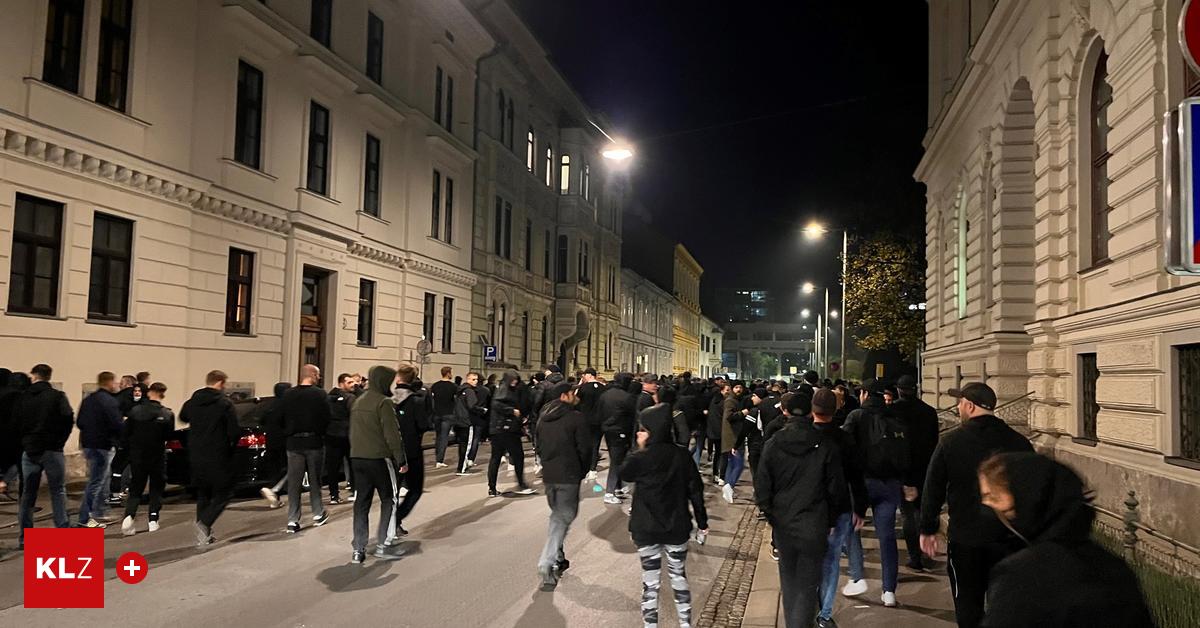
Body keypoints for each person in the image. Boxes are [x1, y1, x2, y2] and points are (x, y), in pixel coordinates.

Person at [977, 453, 1154, 627]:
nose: (987, 506)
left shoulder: (1022, 577)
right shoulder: (1114, 568)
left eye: (993, 498)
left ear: (1027, 500)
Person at [919, 382, 1033, 628]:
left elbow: (933, 487)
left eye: (959, 403)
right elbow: (1033, 491)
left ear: (969, 406)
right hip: (1009, 540)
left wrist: (928, 528)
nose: (958, 407)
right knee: (1003, 606)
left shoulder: (951, 442)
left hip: (966, 540)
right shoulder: (1020, 443)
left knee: (968, 606)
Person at [754, 391, 846, 628]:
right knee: (807, 584)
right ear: (809, 412)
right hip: (814, 523)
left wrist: (772, 515)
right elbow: (836, 488)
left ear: (785, 412)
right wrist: (831, 520)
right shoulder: (825, 445)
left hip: (784, 523)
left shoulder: (774, 443)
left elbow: (762, 485)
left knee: (789, 581)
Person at [620, 391, 709, 628]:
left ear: (650, 430)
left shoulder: (642, 457)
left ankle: (651, 626)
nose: (639, 433)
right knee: (678, 576)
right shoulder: (681, 456)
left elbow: (624, 474)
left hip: (645, 528)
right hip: (676, 526)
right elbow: (696, 491)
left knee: (650, 582)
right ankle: (685, 624)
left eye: (643, 429)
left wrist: (638, 449)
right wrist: (702, 523)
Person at [840, 378, 909, 606]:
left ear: (865, 395)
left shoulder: (856, 416)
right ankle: (889, 590)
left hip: (861, 482)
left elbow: (845, 447)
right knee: (887, 536)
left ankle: (858, 576)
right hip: (889, 484)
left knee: (852, 528)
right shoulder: (895, 418)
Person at [811, 389, 867, 628]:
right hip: (841, 506)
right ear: (835, 411)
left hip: (810, 507)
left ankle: (807, 604)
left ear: (813, 409)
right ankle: (824, 614)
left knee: (809, 558)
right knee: (831, 561)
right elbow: (856, 476)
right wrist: (860, 508)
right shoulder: (844, 438)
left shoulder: (805, 437)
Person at [533, 382, 591, 590]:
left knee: (557, 516)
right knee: (562, 518)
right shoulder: (576, 418)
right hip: (569, 476)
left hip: (550, 476)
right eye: (573, 393)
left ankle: (558, 556)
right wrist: (581, 471)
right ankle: (546, 562)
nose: (576, 396)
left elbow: (538, 445)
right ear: (565, 396)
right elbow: (585, 448)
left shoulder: (543, 418)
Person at [349, 365, 407, 563]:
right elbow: (392, 435)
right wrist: (401, 459)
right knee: (389, 499)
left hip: (358, 459)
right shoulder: (384, 403)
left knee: (361, 503)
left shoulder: (358, 401)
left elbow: (353, 432)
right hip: (380, 459)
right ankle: (384, 543)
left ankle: (358, 547)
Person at [15, 364, 74, 549]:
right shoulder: (57, 396)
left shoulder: (23, 397)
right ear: (49, 376)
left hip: (30, 449)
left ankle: (25, 536)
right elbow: (67, 418)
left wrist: (25, 441)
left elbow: (16, 422)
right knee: (57, 491)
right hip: (52, 449)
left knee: (28, 494)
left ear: (34, 376)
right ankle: (62, 529)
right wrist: (59, 442)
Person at [179, 370, 240, 547]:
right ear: (220, 383)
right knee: (225, 492)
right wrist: (231, 446)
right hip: (218, 453)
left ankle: (204, 534)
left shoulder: (193, 401)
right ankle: (204, 523)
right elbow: (234, 431)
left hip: (196, 453)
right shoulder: (224, 403)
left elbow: (183, 417)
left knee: (203, 492)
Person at [890, 374, 940, 571]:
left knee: (909, 514)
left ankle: (915, 556)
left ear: (899, 390)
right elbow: (934, 440)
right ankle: (926, 552)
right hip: (925, 467)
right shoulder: (929, 412)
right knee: (924, 510)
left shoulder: (892, 411)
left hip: (903, 469)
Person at [280, 364, 331, 533]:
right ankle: (318, 513)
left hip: (293, 443)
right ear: (313, 375)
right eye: (318, 375)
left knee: (294, 483)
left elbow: (282, 417)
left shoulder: (288, 394)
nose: (319, 377)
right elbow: (326, 417)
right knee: (315, 480)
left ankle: (293, 520)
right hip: (314, 442)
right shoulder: (320, 394)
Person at [120, 382, 174, 535]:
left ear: (149, 393)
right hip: (157, 454)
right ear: (162, 394)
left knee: (136, 487)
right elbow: (169, 436)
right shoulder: (167, 414)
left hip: (138, 455)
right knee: (156, 488)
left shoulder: (135, 411)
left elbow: (125, 434)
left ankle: (129, 517)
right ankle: (153, 519)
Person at [76, 371, 123, 528]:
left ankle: (99, 512)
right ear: (108, 382)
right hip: (102, 445)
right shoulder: (109, 401)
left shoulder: (89, 399)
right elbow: (117, 424)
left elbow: (80, 421)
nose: (116, 385)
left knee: (101, 480)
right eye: (114, 382)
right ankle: (85, 518)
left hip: (88, 444)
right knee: (96, 482)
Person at [391, 365, 429, 538]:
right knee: (415, 489)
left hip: (391, 450)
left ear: (398, 379)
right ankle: (397, 519)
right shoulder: (417, 401)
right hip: (411, 450)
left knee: (393, 490)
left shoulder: (388, 400)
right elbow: (423, 424)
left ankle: (390, 521)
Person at [487, 370, 536, 497]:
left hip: (498, 430)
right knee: (517, 456)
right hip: (506, 430)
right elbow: (497, 404)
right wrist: (512, 411)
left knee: (496, 458)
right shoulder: (504, 389)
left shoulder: (503, 388)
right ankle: (521, 484)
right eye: (513, 379)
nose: (515, 382)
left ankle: (492, 488)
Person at [597, 373, 635, 503]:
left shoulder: (605, 394)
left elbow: (599, 411)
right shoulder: (626, 397)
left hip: (608, 431)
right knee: (617, 461)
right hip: (621, 431)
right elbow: (632, 416)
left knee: (616, 459)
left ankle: (618, 487)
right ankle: (610, 491)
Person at [259, 382, 292, 508]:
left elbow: (262, 420)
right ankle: (272, 488)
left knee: (274, 468)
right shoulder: (287, 406)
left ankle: (275, 499)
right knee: (287, 468)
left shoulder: (269, 405)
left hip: (270, 441)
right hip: (284, 441)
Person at [325, 374, 355, 504]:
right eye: (349, 382)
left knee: (333, 467)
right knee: (352, 464)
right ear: (341, 383)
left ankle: (334, 495)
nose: (353, 384)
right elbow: (354, 415)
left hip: (331, 435)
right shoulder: (350, 398)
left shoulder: (327, 397)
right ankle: (355, 490)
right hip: (347, 435)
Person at [451, 372, 484, 475]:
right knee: (466, 445)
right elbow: (472, 406)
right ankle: (462, 468)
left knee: (462, 444)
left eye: (477, 379)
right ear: (468, 379)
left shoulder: (460, 390)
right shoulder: (469, 391)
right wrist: (482, 410)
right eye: (473, 379)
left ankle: (460, 467)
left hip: (458, 420)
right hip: (467, 421)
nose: (476, 381)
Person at [575, 368, 605, 479]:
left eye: (584, 375)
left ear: (589, 375)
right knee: (595, 444)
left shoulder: (583, 388)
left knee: (584, 443)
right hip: (598, 420)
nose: (583, 377)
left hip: (585, 420)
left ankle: (584, 466)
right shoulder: (603, 388)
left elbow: (576, 402)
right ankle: (593, 469)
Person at [430, 366, 458, 469]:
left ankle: (438, 457)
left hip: (437, 414)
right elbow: (455, 400)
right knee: (444, 437)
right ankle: (440, 460)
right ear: (448, 373)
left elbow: (432, 399)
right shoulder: (453, 387)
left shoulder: (435, 386)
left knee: (438, 436)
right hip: (448, 414)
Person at [465, 372, 491, 466]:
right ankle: (471, 458)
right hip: (481, 415)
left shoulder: (470, 390)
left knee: (468, 438)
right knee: (476, 438)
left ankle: (466, 458)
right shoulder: (486, 390)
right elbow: (489, 403)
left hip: (470, 415)